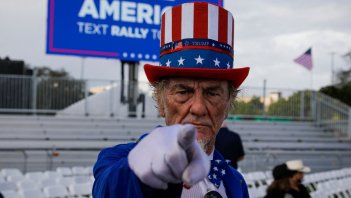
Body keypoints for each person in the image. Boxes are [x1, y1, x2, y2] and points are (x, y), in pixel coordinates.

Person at [92, 2, 250, 198]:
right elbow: (111, 188)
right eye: (183, 92)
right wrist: (141, 172)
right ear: (160, 101)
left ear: (228, 104)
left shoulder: (235, 181)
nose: (199, 108)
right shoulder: (118, 160)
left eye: (212, 93)